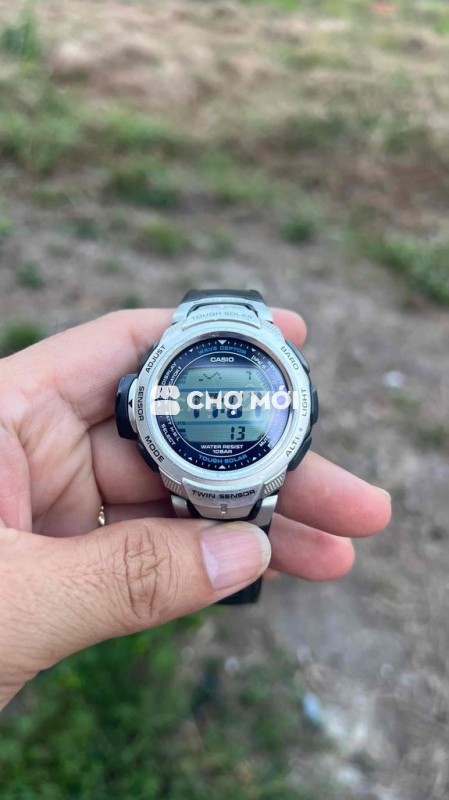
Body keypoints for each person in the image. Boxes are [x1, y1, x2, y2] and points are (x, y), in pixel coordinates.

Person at [0, 308, 391, 711]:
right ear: (133, 406)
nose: (223, 404)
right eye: (207, 400)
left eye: (234, 401)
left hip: (239, 472)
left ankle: (233, 587)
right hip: (206, 476)